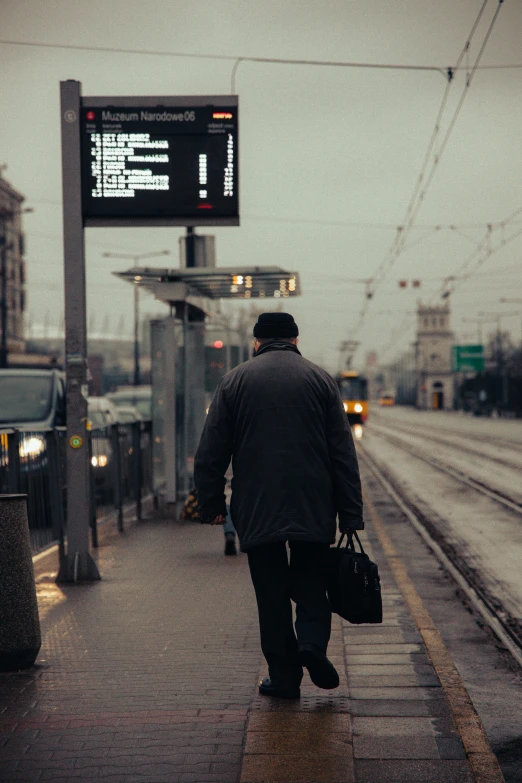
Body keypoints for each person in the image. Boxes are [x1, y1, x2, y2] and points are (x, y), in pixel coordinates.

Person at [194, 312, 363, 699]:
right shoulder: (321, 380)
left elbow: (211, 450)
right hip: (313, 502)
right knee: (311, 581)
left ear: (257, 342)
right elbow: (343, 454)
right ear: (295, 339)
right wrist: (351, 513)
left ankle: (284, 679)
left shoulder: (234, 380)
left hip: (257, 504)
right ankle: (312, 646)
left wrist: (211, 504)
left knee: (270, 594)